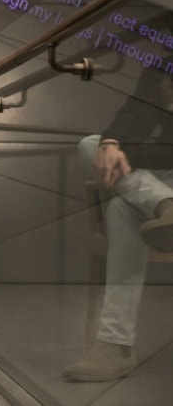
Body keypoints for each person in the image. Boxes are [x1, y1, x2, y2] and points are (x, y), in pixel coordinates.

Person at [63, 62, 173, 382]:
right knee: (91, 145)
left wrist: (131, 153)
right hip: (159, 179)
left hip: (157, 175)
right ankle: (165, 205)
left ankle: (115, 346)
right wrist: (112, 144)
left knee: (122, 207)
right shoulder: (161, 68)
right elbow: (132, 117)